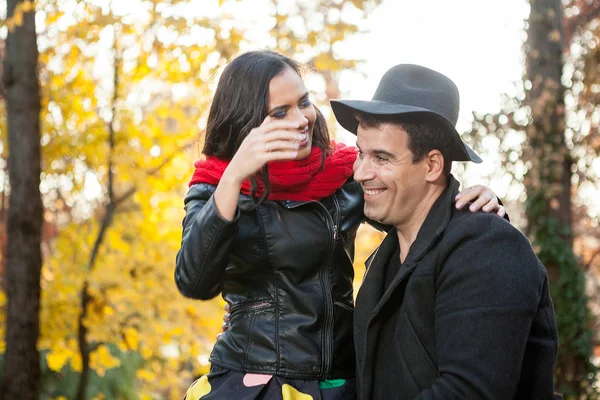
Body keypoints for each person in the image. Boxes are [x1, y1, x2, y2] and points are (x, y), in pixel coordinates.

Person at [175, 50, 504, 400]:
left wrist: (472, 201)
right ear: (249, 123)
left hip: (340, 380)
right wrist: (234, 175)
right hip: (254, 381)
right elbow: (194, 281)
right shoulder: (215, 186)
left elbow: (417, 213)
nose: (302, 119)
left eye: (303, 102)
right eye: (280, 113)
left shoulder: (343, 174)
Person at [330, 64, 560, 399]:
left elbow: (469, 391)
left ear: (433, 165)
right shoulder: (387, 254)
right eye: (362, 153)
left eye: (381, 158)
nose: (361, 172)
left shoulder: (488, 247)